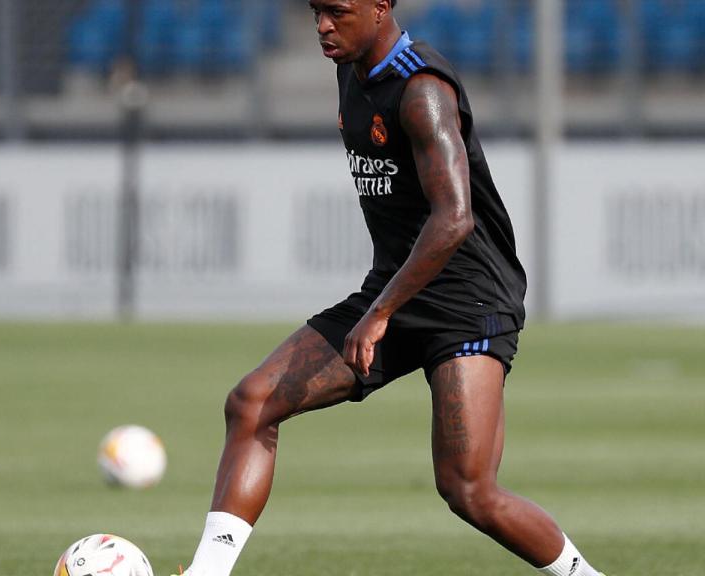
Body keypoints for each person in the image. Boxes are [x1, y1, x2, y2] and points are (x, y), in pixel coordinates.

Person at [174, 1, 605, 575]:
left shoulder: (422, 89)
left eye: (338, 12)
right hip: (396, 289)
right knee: (252, 403)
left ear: (381, 8)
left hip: (469, 304)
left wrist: (379, 312)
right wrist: (384, 304)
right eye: (316, 11)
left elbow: (454, 218)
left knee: (468, 490)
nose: (323, 25)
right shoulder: (349, 68)